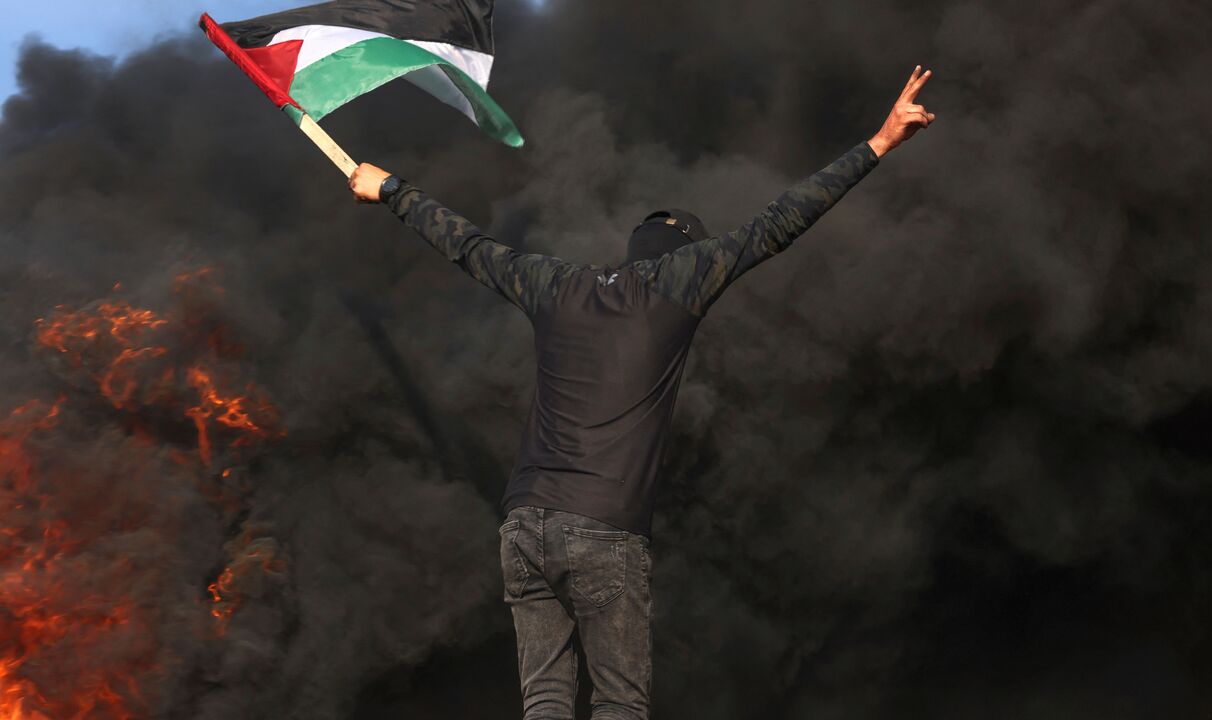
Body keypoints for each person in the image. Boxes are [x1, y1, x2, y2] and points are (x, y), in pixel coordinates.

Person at [350, 65, 937, 720]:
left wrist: (393, 190)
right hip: (602, 529)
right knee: (620, 704)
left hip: (523, 528)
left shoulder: (554, 284)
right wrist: (880, 142)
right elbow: (779, 222)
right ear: (680, 251)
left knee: (544, 700)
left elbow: (468, 245)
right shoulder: (677, 283)